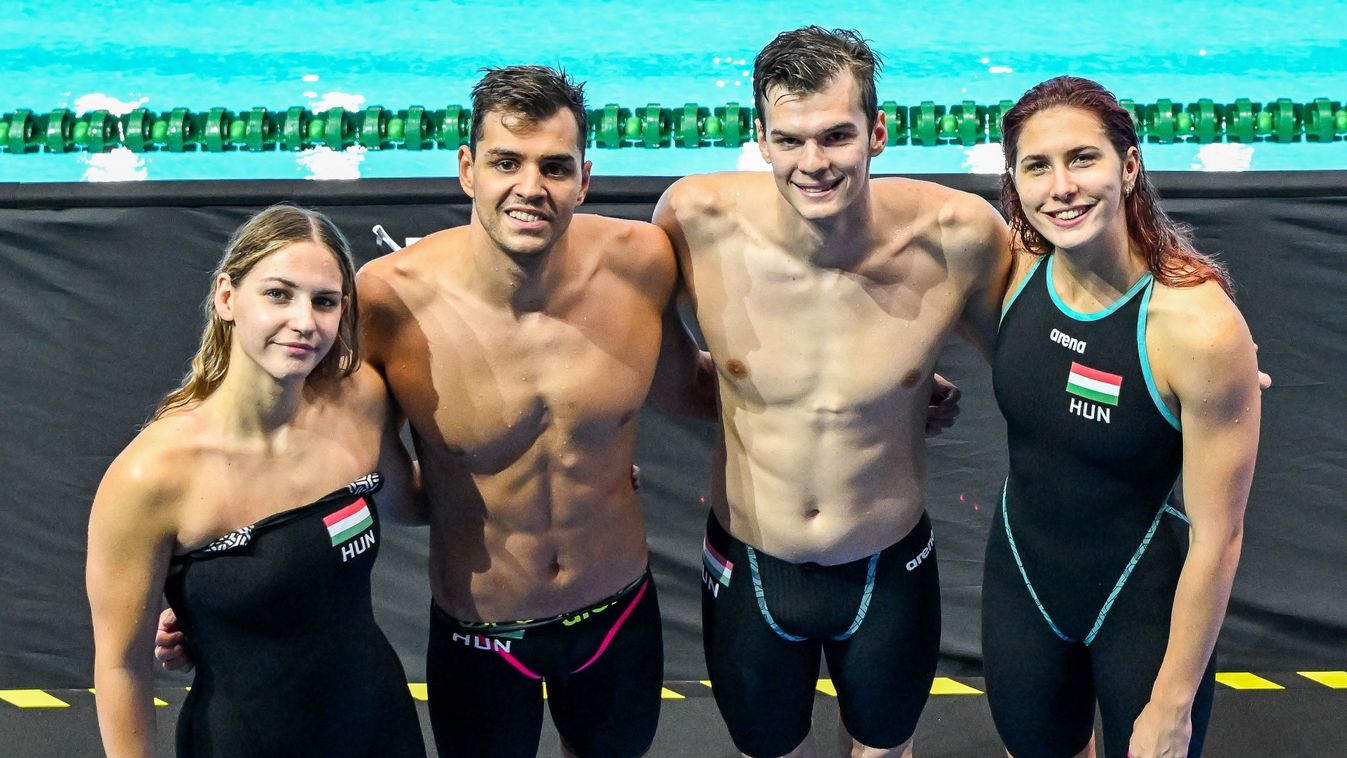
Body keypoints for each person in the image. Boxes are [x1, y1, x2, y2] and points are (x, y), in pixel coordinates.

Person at [654, 27, 1009, 758]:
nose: (812, 163)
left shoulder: (958, 235)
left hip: (888, 567)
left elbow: (1047, 349)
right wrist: (756, 388)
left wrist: (1187, 351)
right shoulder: (696, 221)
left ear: (877, 133)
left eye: (836, 136)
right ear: (760, 140)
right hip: (750, 564)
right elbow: (636, 350)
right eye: (789, 139)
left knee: (884, 747)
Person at [355, 65, 707, 758]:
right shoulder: (389, 301)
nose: (530, 187)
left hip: (617, 613)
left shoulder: (640, 263)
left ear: (584, 178)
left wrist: (865, 398)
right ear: (467, 169)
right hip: (480, 632)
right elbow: (334, 458)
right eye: (506, 162)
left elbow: (688, 387)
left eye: (554, 166)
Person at [981, 76, 1260, 758]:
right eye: (1036, 166)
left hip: (1140, 598)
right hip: (1022, 579)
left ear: (1129, 166)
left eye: (1082, 158)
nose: (1061, 187)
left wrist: (1172, 705)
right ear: (1013, 184)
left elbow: (1218, 538)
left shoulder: (1194, 325)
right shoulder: (1013, 267)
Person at [87, 205, 426, 757]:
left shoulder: (359, 400)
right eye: (278, 294)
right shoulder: (153, 475)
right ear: (227, 297)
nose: (304, 321)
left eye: (324, 301)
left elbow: (413, 502)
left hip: (380, 730)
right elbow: (121, 667)